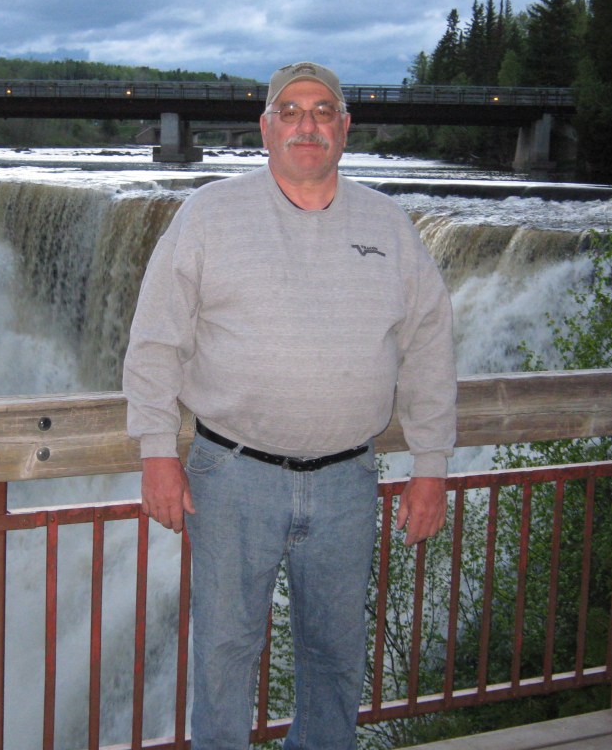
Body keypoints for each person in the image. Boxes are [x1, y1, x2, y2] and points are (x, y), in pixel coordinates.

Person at [122, 61, 457, 749]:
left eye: (323, 111)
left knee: (335, 658)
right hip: (230, 476)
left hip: (347, 481)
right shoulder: (209, 214)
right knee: (224, 657)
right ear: (266, 127)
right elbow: (156, 340)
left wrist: (431, 465)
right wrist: (157, 452)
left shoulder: (390, 226)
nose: (308, 124)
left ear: (345, 128)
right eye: (292, 111)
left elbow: (429, 348)